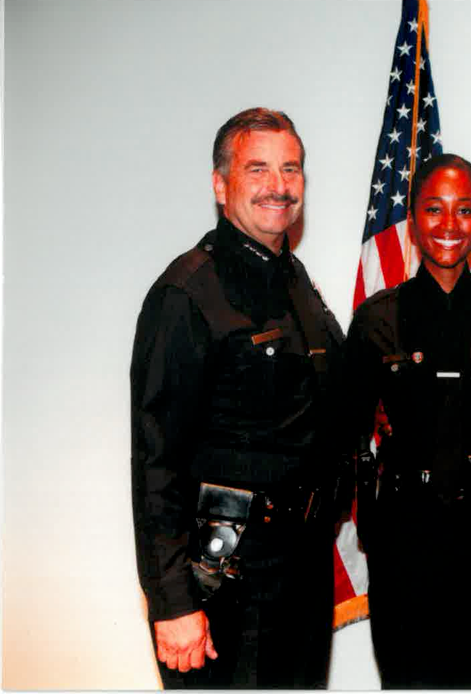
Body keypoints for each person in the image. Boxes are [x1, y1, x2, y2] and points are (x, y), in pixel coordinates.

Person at [130, 107, 348, 689]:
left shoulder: (296, 281)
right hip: (227, 577)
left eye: (291, 169)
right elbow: (156, 461)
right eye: (258, 169)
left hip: (300, 570)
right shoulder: (188, 292)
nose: (279, 186)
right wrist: (172, 602)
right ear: (220, 184)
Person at [346, 154, 471, 688]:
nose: (449, 225)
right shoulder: (377, 319)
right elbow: (347, 429)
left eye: (465, 210)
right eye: (434, 209)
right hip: (409, 536)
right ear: (412, 220)